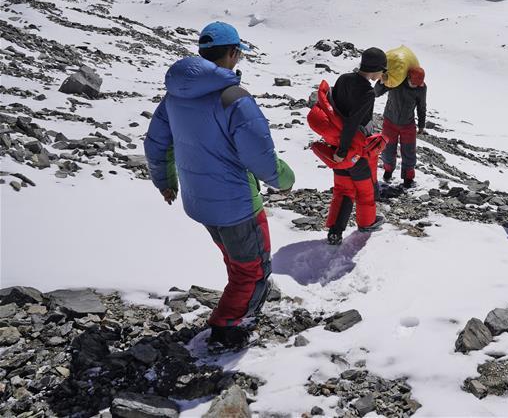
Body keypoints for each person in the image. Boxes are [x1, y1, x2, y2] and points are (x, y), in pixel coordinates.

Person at [144, 21, 295, 351]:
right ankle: (227, 327)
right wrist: (284, 180)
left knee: (236, 261)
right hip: (237, 205)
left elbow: (156, 143)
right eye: (238, 53)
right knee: (255, 271)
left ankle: (234, 310)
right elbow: (261, 157)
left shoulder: (176, 95)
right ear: (232, 53)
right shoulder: (234, 99)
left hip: (201, 204)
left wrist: (165, 182)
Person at [326, 47, 388, 245]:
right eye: (383, 70)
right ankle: (367, 223)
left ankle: (335, 231)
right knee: (365, 189)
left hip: (336, 144)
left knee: (343, 189)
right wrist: (345, 150)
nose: (382, 75)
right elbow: (353, 122)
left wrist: (338, 150)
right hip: (354, 149)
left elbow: (335, 109)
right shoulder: (367, 92)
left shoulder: (344, 79)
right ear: (376, 69)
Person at [375, 66, 427, 188]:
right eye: (413, 83)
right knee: (387, 151)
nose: (415, 86)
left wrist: (421, 125)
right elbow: (377, 93)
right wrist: (381, 82)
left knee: (409, 152)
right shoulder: (396, 81)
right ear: (408, 77)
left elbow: (421, 106)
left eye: (418, 84)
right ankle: (388, 171)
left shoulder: (421, 88)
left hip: (408, 124)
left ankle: (408, 179)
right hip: (390, 122)